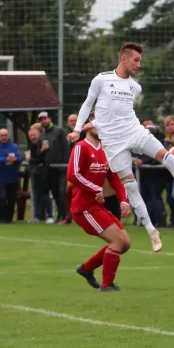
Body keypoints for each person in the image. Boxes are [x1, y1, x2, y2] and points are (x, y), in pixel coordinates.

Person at [67, 42, 174, 252]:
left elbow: (118, 113)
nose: (139, 65)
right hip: (113, 143)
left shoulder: (135, 86)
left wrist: (95, 123)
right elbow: (89, 104)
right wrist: (78, 129)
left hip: (135, 132)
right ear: (124, 59)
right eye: (136, 60)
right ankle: (151, 231)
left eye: (140, 60)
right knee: (131, 187)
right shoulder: (101, 79)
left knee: (168, 158)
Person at [70, 125, 132, 291]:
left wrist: (124, 200)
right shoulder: (80, 147)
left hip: (96, 206)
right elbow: (73, 175)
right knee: (117, 241)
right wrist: (95, 188)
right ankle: (107, 285)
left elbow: (115, 179)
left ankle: (86, 268)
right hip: (83, 208)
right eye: (95, 120)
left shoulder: (105, 149)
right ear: (86, 126)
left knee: (125, 243)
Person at [0, 129, 23, 223]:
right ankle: (1, 217)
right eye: (2, 135)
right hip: (0, 178)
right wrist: (6, 159)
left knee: (12, 198)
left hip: (12, 177)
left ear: (8, 136)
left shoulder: (14, 146)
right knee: (2, 198)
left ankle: (9, 218)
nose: (4, 137)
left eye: (5, 135)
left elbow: (20, 158)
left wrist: (15, 159)